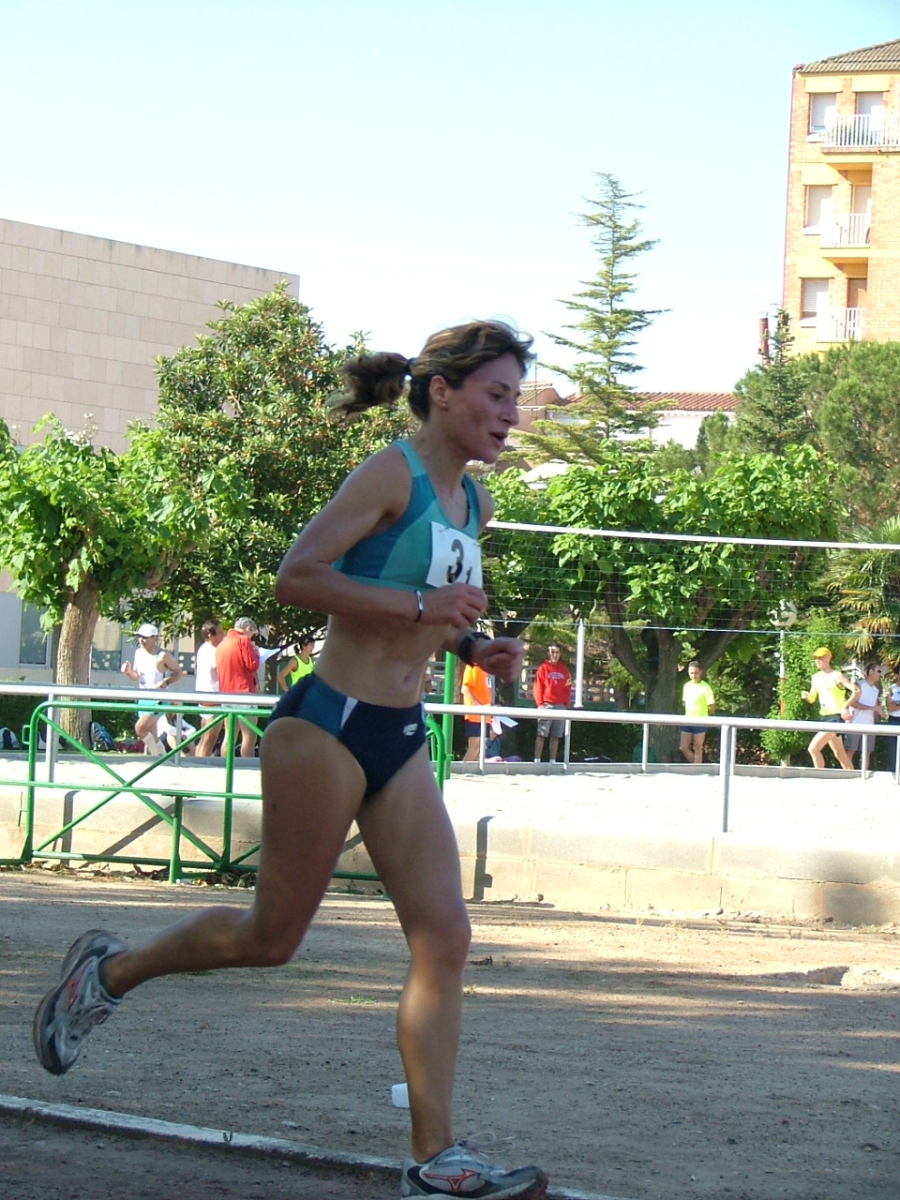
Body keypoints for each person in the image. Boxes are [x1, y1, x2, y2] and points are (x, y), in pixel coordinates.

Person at [33, 319, 549, 1200]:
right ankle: (108, 973)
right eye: (497, 394)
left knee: (446, 938)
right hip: (326, 726)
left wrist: (474, 647)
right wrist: (421, 609)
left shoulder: (476, 502)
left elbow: (437, 612)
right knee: (271, 940)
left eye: (516, 397)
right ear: (443, 392)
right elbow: (297, 575)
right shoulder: (390, 474)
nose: (512, 413)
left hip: (399, 734)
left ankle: (436, 1159)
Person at [120, 623, 185, 755]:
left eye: (145, 637)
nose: (141, 640)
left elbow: (178, 672)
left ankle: (157, 757)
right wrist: (128, 671)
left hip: (158, 699)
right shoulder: (138, 653)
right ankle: (162, 758)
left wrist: (166, 681)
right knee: (153, 734)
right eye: (139, 636)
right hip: (143, 698)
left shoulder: (162, 655)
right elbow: (137, 676)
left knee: (140, 729)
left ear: (154, 638)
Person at [800, 646, 854, 770]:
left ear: (828, 659)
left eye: (820, 658)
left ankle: (819, 776)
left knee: (813, 748)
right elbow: (812, 699)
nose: (817, 661)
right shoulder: (816, 677)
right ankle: (852, 776)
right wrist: (806, 696)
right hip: (825, 718)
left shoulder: (837, 675)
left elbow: (855, 690)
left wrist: (845, 707)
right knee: (839, 753)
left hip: (835, 718)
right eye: (816, 658)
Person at [215, 617, 261, 758]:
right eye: (252, 633)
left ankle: (226, 766)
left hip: (226, 693)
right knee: (249, 736)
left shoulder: (222, 644)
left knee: (229, 735)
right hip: (243, 692)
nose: (252, 637)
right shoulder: (244, 641)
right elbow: (252, 665)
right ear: (248, 629)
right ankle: (247, 766)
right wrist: (256, 654)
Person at [532, 643, 571, 763]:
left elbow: (568, 688)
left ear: (560, 654)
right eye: (552, 652)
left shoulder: (564, 670)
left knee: (556, 735)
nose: (555, 655)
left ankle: (552, 761)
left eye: (557, 652)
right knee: (541, 734)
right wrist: (540, 704)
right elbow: (538, 687)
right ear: (548, 653)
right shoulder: (542, 669)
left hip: (560, 706)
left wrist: (565, 704)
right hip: (546, 705)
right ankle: (537, 760)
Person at [843, 661, 884, 772]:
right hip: (855, 723)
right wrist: (871, 708)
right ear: (871, 672)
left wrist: (880, 712)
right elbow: (853, 703)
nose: (880, 674)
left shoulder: (876, 690)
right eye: (878, 671)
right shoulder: (859, 685)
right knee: (851, 750)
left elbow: (875, 706)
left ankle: (864, 774)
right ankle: (847, 773)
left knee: (867, 752)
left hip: (869, 725)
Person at [195, 619, 225, 758]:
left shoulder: (203, 649)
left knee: (204, 739)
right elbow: (220, 671)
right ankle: (201, 764)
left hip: (205, 695)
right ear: (209, 635)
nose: (223, 636)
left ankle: (198, 761)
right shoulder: (213, 651)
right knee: (209, 739)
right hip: (212, 697)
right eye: (219, 633)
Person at [679, 661, 715, 764]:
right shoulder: (686, 686)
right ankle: (697, 766)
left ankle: (697, 768)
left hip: (700, 721)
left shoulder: (705, 687)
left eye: (696, 673)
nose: (694, 675)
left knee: (698, 747)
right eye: (691, 673)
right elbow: (686, 702)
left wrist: (704, 715)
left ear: (700, 673)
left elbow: (711, 706)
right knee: (683, 747)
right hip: (688, 720)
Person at [461, 662, 491, 762]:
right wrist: (478, 705)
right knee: (475, 748)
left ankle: (467, 769)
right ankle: (462, 769)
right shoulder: (474, 666)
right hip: (475, 715)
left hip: (484, 715)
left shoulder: (484, 669)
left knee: (479, 749)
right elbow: (465, 689)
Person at [885, 665, 900, 772]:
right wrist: (894, 705)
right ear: (896, 675)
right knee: (893, 751)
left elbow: (894, 705)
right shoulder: (891, 689)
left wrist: (897, 704)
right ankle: (893, 774)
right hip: (894, 721)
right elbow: (890, 707)